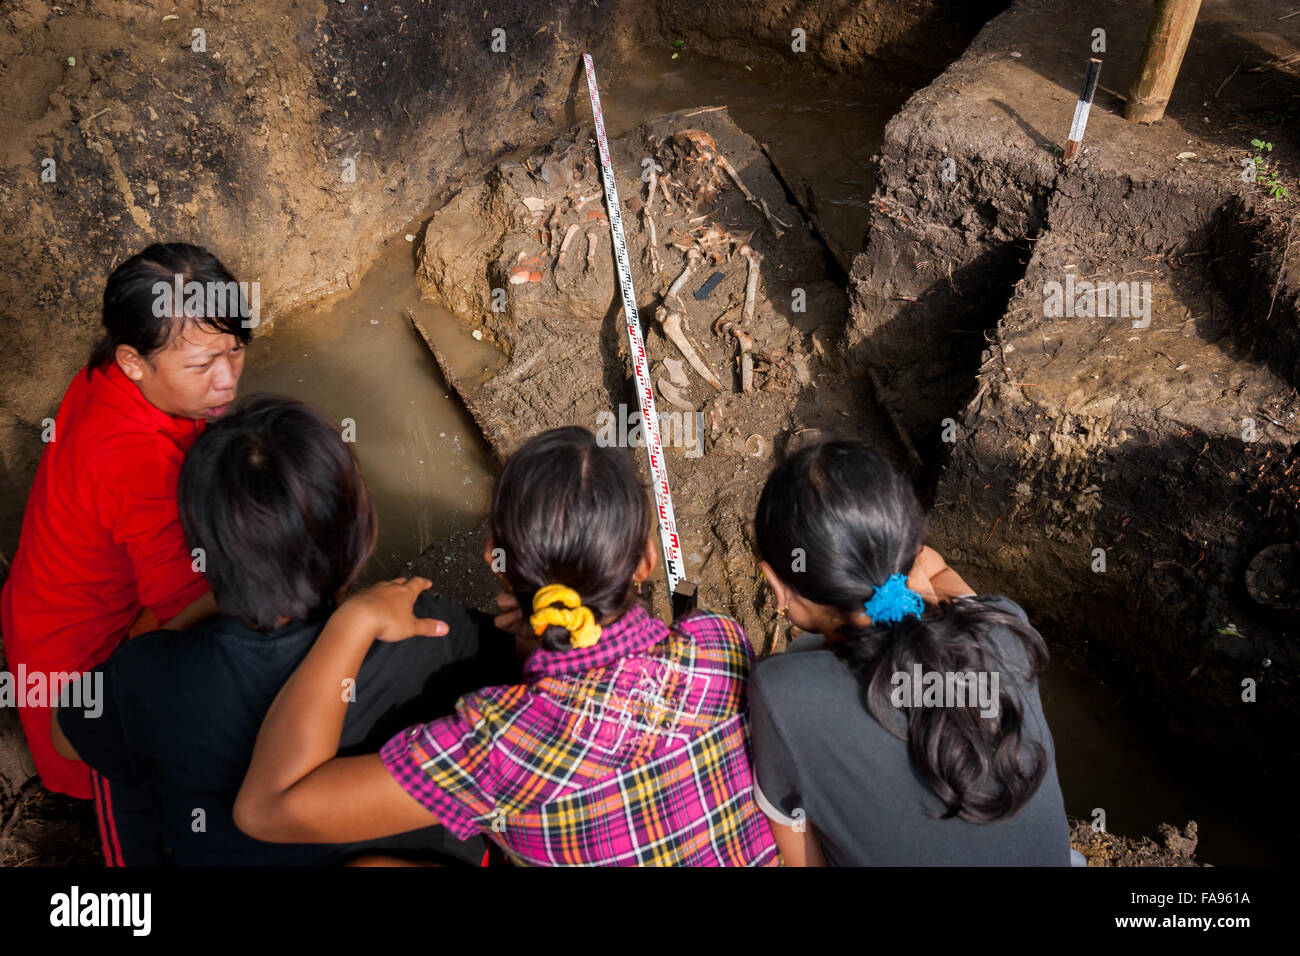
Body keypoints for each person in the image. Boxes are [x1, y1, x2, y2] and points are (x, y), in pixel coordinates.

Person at [234, 426, 779, 867]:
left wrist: (351, 621)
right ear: (645, 560)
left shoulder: (499, 741)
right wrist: (540, 645)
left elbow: (268, 811)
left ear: (496, 557)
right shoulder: (720, 641)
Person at [51, 395, 515, 865]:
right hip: (410, 848)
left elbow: (64, 737)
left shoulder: (149, 671)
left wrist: (187, 617)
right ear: (361, 532)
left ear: (200, 543)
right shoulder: (434, 632)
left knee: (120, 743)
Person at [2, 243, 249, 816]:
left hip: (41, 618)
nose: (227, 381)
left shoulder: (109, 375)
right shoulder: (140, 467)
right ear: (135, 360)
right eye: (201, 366)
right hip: (79, 692)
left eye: (234, 352)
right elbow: (197, 611)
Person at [749, 440, 1071, 866]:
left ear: (776, 586)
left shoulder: (782, 693)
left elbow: (803, 857)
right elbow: (937, 580)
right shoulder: (1004, 627)